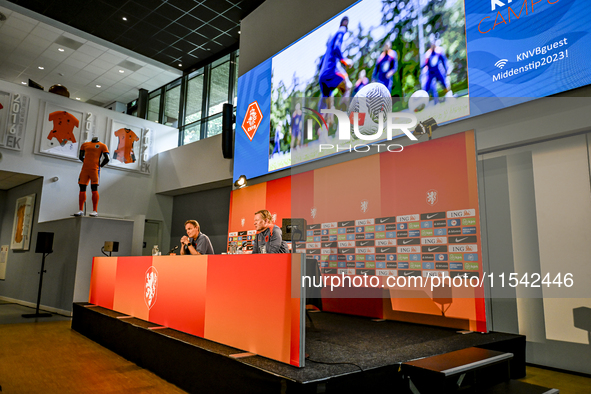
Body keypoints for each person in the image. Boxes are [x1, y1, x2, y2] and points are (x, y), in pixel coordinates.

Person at [74, 137, 109, 217]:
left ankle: (95, 210)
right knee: (82, 189)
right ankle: (80, 210)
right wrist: (87, 163)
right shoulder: (85, 145)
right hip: (85, 170)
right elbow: (80, 156)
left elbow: (107, 158)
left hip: (95, 170)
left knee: (94, 189)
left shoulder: (102, 146)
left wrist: (100, 166)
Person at [421, 34, 451, 104]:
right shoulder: (428, 54)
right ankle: (424, 103)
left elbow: (444, 61)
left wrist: (447, 69)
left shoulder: (439, 51)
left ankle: (449, 96)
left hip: (438, 71)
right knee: (426, 88)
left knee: (444, 83)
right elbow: (424, 65)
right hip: (430, 72)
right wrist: (424, 69)